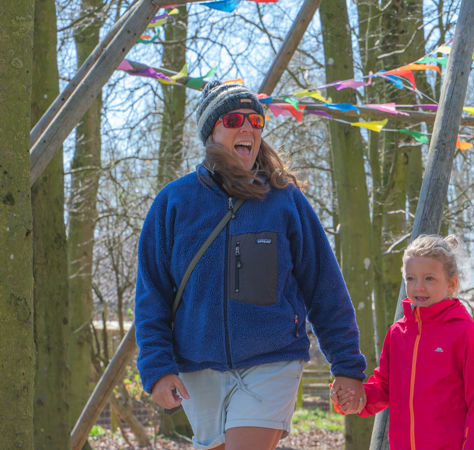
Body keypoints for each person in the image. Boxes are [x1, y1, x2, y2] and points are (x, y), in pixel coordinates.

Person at [134, 80, 367, 450]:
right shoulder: (172, 202)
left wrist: (347, 366)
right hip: (198, 367)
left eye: (255, 122)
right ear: (211, 130)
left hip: (272, 362)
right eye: (234, 119)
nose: (248, 128)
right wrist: (157, 368)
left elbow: (325, 286)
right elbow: (151, 296)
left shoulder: (285, 201)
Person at [331, 235, 474, 449]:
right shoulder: (397, 334)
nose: (418, 287)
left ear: (452, 283)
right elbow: (383, 387)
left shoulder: (466, 334)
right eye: (411, 278)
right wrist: (355, 398)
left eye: (429, 278)